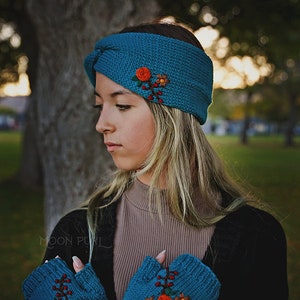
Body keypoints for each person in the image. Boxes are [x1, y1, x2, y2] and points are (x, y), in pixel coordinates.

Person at [22, 21, 289, 300]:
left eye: (122, 104)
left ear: (172, 114)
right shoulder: (77, 232)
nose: (102, 124)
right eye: (100, 105)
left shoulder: (255, 236)